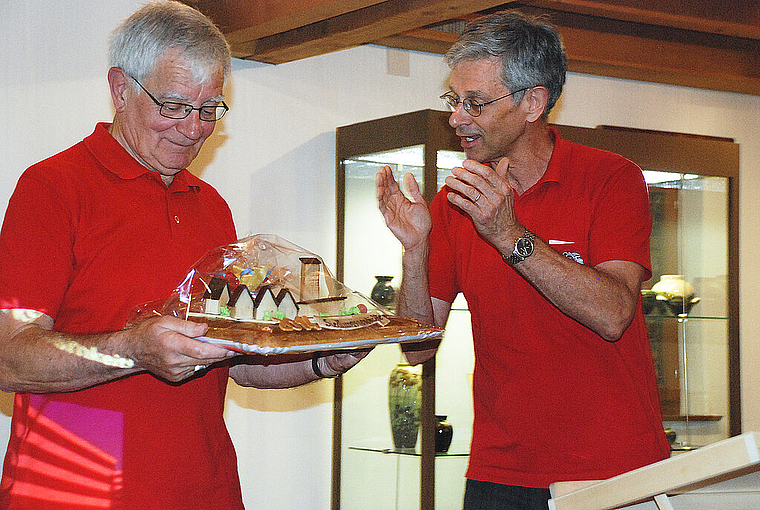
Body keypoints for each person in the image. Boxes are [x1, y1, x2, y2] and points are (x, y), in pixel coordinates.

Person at [0, 2, 365, 508]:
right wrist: (134, 350)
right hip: (75, 491)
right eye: (172, 106)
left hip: (203, 488)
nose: (193, 128)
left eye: (209, 108)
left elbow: (234, 361)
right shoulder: (52, 188)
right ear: (120, 89)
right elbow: (9, 356)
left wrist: (322, 360)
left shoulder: (211, 208)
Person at [376, 10, 670, 510]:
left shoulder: (611, 178)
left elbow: (614, 313)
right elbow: (417, 349)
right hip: (500, 472)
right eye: (453, 100)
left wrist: (509, 234)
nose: (456, 118)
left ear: (533, 102)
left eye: (474, 102)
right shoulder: (455, 202)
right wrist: (415, 252)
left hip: (615, 469)